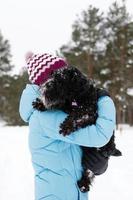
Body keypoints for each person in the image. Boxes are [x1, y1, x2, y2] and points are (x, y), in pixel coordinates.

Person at [19, 52, 116, 200]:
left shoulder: (59, 107)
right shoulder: (46, 116)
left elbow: (79, 151)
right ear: (50, 81)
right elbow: (100, 135)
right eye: (61, 75)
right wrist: (104, 99)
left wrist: (98, 163)